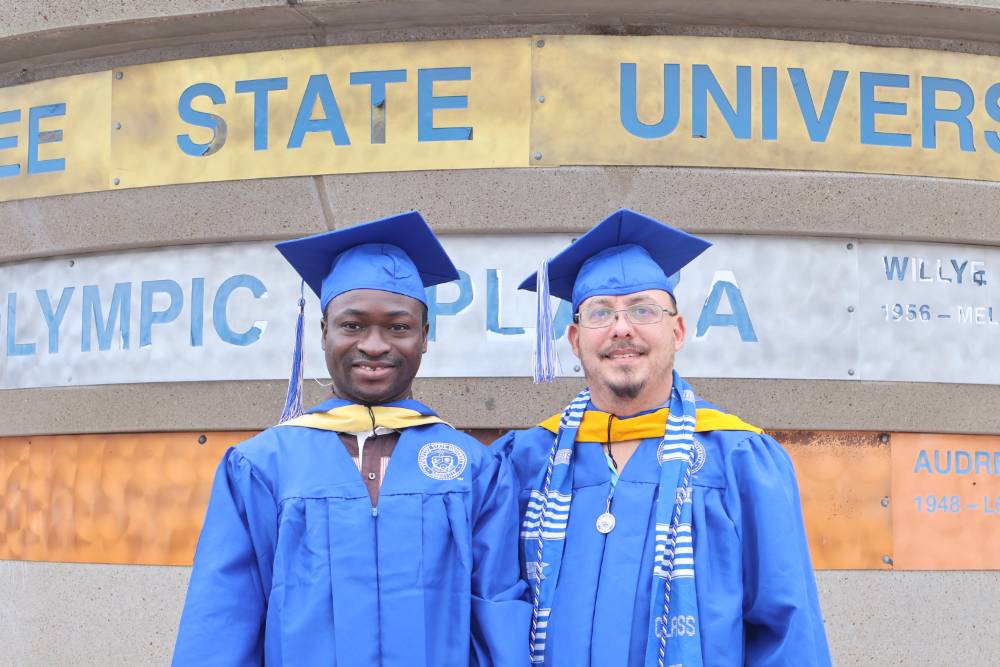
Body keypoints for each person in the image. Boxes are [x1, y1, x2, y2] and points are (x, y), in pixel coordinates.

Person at [173, 211, 530, 666]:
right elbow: (221, 621)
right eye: (353, 325)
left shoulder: (474, 469)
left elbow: (497, 617)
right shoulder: (262, 465)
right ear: (323, 333)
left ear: (425, 336)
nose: (375, 345)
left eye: (398, 327)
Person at [495, 209, 831, 666]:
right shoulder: (525, 461)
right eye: (600, 313)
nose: (621, 327)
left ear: (677, 331)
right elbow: (494, 615)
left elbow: (787, 634)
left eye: (643, 309)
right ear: (575, 340)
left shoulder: (740, 459)